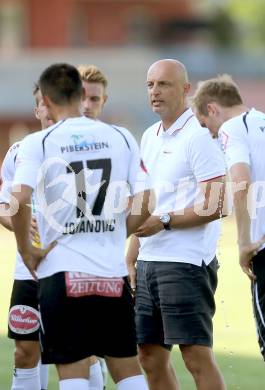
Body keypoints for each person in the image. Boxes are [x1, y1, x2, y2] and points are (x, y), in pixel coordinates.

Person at [11, 63, 151, 390]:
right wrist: (118, 231)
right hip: (111, 274)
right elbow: (149, 200)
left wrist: (27, 250)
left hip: (62, 273)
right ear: (80, 94)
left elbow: (17, 201)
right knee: (128, 370)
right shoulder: (121, 137)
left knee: (72, 372)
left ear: (44, 99)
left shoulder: (40, 143)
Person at [126, 59, 227, 390]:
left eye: (164, 84)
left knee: (195, 356)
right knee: (149, 356)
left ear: (186, 89)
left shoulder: (198, 136)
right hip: (148, 262)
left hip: (185, 262)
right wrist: (131, 255)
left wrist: (166, 221)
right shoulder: (148, 136)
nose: (155, 91)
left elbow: (217, 203)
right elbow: (148, 203)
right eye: (150, 85)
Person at [192, 73, 265, 360]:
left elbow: (241, 183)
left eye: (204, 125)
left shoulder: (232, 129)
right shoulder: (261, 121)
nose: (209, 133)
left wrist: (244, 243)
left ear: (212, 109)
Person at [0, 84, 53, 390]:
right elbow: (4, 205)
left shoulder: (86, 148)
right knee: (25, 350)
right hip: (28, 268)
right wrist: (18, 223)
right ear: (36, 110)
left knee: (80, 354)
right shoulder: (19, 151)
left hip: (75, 266)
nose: (48, 109)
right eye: (42, 104)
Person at [77, 63, 109, 389]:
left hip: (97, 259)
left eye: (95, 99)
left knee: (90, 349)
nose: (87, 105)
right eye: (82, 97)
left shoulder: (116, 145)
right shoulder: (47, 144)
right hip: (49, 262)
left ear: (104, 102)